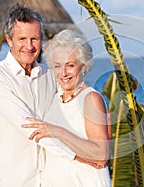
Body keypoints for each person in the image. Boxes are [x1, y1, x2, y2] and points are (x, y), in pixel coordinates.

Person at [0, 3, 75, 187]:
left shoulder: (50, 75)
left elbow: (71, 112)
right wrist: (79, 155)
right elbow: (29, 127)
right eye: (22, 39)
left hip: (52, 179)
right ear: (9, 40)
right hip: (15, 181)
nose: (29, 46)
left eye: (35, 39)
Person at [21, 29, 111, 186]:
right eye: (57, 66)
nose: (63, 73)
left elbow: (101, 155)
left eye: (70, 65)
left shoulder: (90, 99)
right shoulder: (55, 98)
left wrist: (57, 131)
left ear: (83, 66)